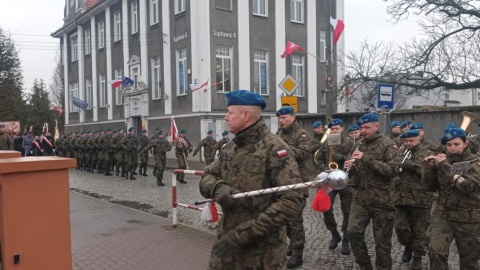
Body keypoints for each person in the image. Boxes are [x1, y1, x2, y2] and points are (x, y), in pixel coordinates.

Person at [199, 90, 304, 270]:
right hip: (226, 246)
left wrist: (243, 234)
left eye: (230, 112)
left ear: (246, 115)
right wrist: (217, 187)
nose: (226, 117)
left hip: (261, 253)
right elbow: (207, 176)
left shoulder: (275, 148)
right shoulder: (231, 148)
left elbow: (292, 201)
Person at [344, 113, 401, 270]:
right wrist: (350, 166)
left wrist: (366, 159)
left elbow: (393, 170)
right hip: (361, 198)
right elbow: (354, 169)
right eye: (361, 128)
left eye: (367, 127)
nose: (363, 131)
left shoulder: (388, 145)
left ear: (377, 126)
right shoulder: (358, 144)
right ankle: (364, 265)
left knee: (382, 243)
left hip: (382, 201)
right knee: (353, 232)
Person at [423, 127, 480, 270]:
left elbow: (468, 186)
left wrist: (445, 166)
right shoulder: (442, 160)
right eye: (448, 145)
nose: (452, 148)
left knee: (469, 261)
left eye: (456, 144)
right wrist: (429, 168)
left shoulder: (475, 162)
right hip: (443, 215)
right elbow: (428, 187)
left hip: (468, 217)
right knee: (435, 251)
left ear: (465, 144)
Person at [276, 106, 311, 269]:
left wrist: (283, 149)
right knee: (285, 220)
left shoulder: (302, 134)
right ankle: (291, 244)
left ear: (293, 117)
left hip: (297, 183)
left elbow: (303, 154)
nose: (281, 121)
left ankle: (298, 253)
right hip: (280, 183)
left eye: (284, 118)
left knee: (295, 220)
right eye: (279, 118)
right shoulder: (279, 134)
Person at [394, 129, 433, 270]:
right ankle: (408, 245)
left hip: (421, 198)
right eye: (406, 141)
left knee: (420, 230)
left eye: (411, 141)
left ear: (418, 140)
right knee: (400, 227)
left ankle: (417, 256)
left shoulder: (427, 153)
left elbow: (430, 174)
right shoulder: (399, 152)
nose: (408, 143)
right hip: (401, 197)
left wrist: (413, 167)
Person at [315, 118, 354, 255]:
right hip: (329, 179)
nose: (334, 131)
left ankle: (346, 239)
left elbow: (352, 160)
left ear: (342, 129)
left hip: (345, 179)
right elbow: (318, 158)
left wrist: (341, 157)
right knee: (325, 207)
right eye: (332, 129)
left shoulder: (349, 142)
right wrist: (323, 167)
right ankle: (334, 233)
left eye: (337, 128)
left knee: (347, 211)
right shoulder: (327, 142)